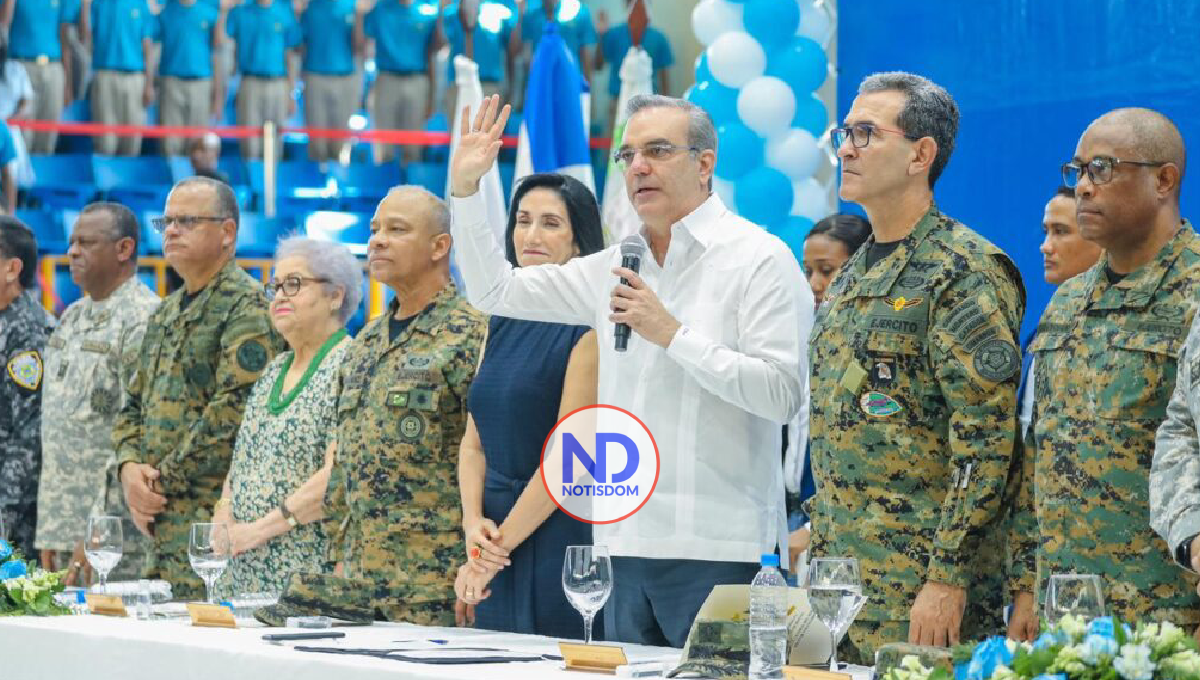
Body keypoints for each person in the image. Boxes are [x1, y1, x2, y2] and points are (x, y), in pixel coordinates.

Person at [450, 94, 811, 646]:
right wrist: (468, 192)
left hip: (719, 549)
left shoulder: (759, 259)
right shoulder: (617, 263)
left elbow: (783, 394)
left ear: (705, 163)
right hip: (620, 546)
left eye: (658, 151)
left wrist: (672, 335)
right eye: (628, 154)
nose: (638, 166)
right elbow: (493, 289)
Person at [808, 72, 1025, 661]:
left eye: (866, 134)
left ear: (920, 155)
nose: (846, 148)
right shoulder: (854, 273)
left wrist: (948, 577)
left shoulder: (962, 271)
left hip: (920, 590)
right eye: (844, 132)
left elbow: (986, 441)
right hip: (843, 586)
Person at [1009, 108, 1200, 639]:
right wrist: (1026, 586)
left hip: (1168, 625)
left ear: (1164, 180)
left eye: (1102, 169)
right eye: (1080, 172)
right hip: (1064, 622)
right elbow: (1039, 455)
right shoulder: (1066, 302)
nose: (1085, 188)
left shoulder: (1194, 295)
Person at [112, 177, 285, 598]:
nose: (171, 231)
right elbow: (132, 403)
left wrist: (158, 482)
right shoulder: (165, 312)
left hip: (212, 527)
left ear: (227, 233)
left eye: (187, 221)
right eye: (167, 221)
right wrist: (129, 469)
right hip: (158, 525)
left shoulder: (247, 308)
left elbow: (235, 413)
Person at [323, 185, 487, 624]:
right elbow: (345, 461)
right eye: (375, 229)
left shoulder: (471, 335)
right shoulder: (365, 342)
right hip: (359, 582)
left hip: (435, 585)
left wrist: (475, 568)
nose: (377, 240)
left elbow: (492, 458)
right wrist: (337, 556)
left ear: (440, 246)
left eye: (396, 230)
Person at [452, 173, 604, 636]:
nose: (532, 236)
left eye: (550, 223)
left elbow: (572, 457)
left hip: (557, 530)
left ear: (578, 241)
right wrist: (473, 523)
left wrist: (491, 555)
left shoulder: (590, 327)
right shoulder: (501, 318)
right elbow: (473, 444)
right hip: (492, 533)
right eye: (523, 221)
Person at [213, 237, 361, 596]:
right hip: (240, 566)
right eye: (275, 286)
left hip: (304, 574)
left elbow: (337, 473)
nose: (279, 295)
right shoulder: (275, 367)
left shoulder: (352, 364)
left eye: (294, 284)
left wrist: (259, 530)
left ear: (335, 296)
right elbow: (243, 457)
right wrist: (223, 512)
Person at [35, 203, 159, 585]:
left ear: (124, 249)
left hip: (110, 537)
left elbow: (138, 435)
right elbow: (61, 426)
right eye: (72, 242)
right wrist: (51, 527)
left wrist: (98, 530)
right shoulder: (73, 316)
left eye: (86, 242)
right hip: (61, 525)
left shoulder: (144, 319)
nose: (72, 251)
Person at [785, 213, 871, 570]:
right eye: (808, 272)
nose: (815, 284)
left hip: (839, 525)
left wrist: (812, 526)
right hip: (787, 512)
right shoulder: (801, 339)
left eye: (827, 270)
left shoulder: (869, 349)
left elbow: (864, 456)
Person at [1016, 186, 1102, 441]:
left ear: (1102, 239)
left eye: (1061, 232)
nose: (1045, 246)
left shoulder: (1120, 332)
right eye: (1046, 232)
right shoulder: (1043, 331)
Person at [0, 217, 53, 558]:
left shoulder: (27, 331)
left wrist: (4, 511)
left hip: (13, 515)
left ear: (11, 269)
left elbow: (30, 434)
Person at [364, 0, 444, 164]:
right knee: (384, 147)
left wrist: (431, 96)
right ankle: (385, 186)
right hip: (386, 78)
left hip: (417, 79)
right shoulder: (381, 8)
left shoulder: (428, 10)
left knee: (413, 149)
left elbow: (436, 48)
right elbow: (362, 37)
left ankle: (410, 187)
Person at [1, 0, 81, 155]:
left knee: (47, 134)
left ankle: (42, 176)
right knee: (22, 135)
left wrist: (68, 82)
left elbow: (64, 37)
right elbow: (3, 26)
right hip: (21, 65)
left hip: (53, 66)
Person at [155, 0, 231, 157]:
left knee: (197, 144)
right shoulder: (166, 12)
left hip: (201, 82)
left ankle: (194, 181)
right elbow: (150, 43)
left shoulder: (210, 12)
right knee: (170, 143)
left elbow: (217, 53)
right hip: (171, 82)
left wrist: (218, 96)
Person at [226, 0, 300, 158]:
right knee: (249, 143)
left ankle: (272, 181)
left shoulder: (284, 12)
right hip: (250, 81)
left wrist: (291, 93)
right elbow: (222, 41)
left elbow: (290, 55)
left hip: (279, 83)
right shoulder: (241, 12)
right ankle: (251, 181)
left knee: (275, 143)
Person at [80, 0, 155, 156]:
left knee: (132, 139)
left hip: (134, 76)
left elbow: (148, 46)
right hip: (105, 75)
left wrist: (149, 84)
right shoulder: (97, 4)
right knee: (105, 141)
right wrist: (85, 6)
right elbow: (84, 36)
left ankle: (129, 177)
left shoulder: (141, 4)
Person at [297, 0, 364, 162]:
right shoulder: (310, 7)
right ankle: (317, 183)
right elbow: (298, 44)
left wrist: (359, 16)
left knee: (340, 144)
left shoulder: (352, 6)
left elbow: (360, 46)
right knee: (317, 144)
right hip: (315, 76)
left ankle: (338, 182)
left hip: (344, 77)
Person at [594, 0, 672, 126]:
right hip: (617, 104)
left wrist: (666, 111)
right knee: (618, 143)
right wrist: (601, 36)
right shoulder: (613, 35)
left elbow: (665, 81)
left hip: (650, 106)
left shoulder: (659, 38)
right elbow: (598, 66)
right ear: (626, 4)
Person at [443, 0, 520, 121]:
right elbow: (441, 43)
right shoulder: (451, 13)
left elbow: (514, 51)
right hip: (459, 86)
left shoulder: (500, 12)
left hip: (490, 86)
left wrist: (519, 12)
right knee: (459, 135)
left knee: (487, 136)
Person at [521, 0, 595, 87]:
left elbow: (586, 53)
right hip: (540, 82)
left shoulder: (579, 13)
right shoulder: (531, 16)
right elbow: (527, 57)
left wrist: (588, 88)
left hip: (570, 82)